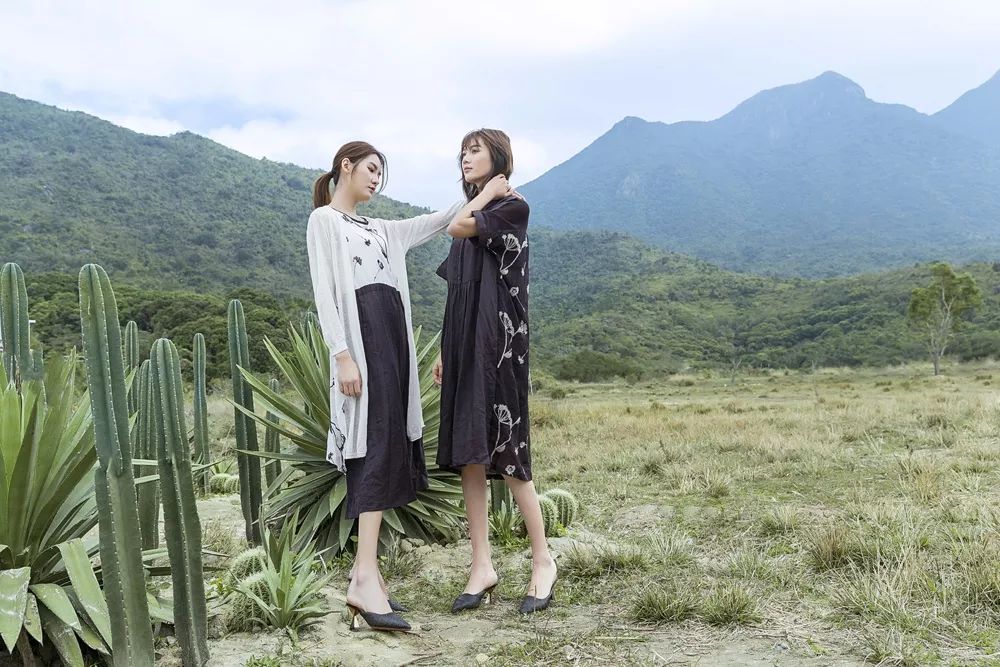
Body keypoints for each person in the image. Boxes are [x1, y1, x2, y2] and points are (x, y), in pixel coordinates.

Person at [306, 141, 461, 632]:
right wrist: (342, 356)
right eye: (371, 169)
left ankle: (366, 575)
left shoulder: (382, 229)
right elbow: (325, 292)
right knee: (370, 451)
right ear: (345, 166)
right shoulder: (324, 221)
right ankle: (363, 578)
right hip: (362, 346)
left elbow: (441, 220)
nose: (376, 179)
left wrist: (486, 188)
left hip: (393, 344)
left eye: (381, 173)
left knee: (387, 447)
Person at [434, 129, 558, 615]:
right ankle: (481, 565)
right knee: (470, 454)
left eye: (475, 151)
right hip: (464, 341)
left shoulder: (511, 207)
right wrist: (445, 348)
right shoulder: (478, 209)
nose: (465, 158)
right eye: (462, 152)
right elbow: (458, 287)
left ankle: (543, 560)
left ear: (499, 159)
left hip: (500, 345)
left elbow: (456, 226)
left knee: (509, 455)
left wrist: (489, 191)